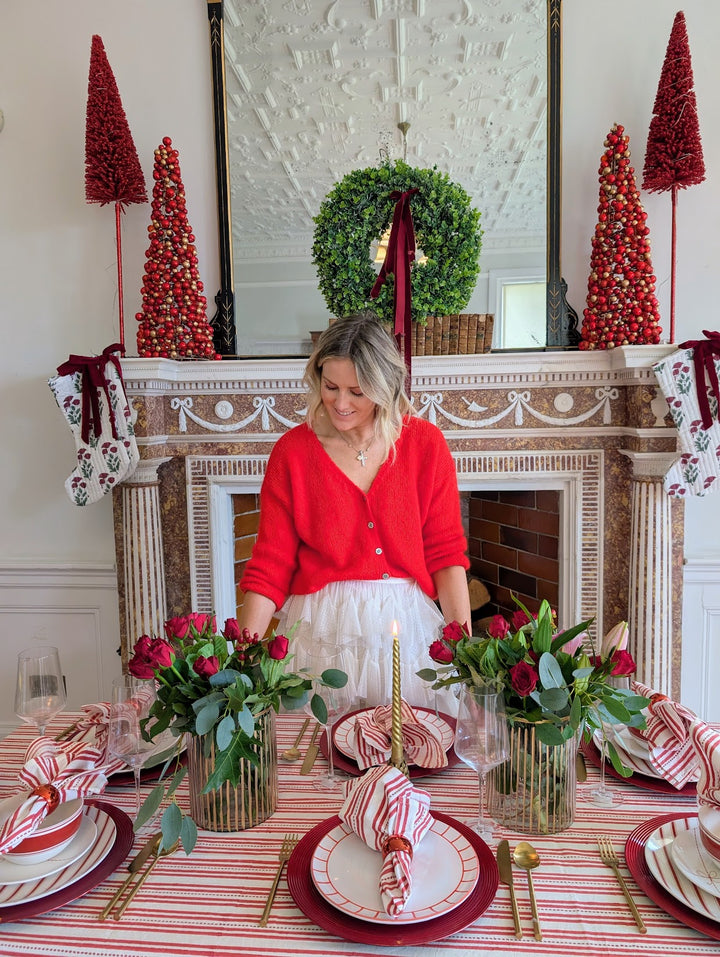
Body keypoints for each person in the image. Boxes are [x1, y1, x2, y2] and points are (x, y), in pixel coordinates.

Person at [238, 312, 471, 707]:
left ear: (385, 387)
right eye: (331, 387)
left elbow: (446, 555)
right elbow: (269, 565)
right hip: (324, 633)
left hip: (408, 629)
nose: (340, 404)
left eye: (357, 392)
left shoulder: (425, 444)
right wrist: (240, 663)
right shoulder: (293, 453)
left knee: (412, 751)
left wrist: (467, 655)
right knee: (323, 756)